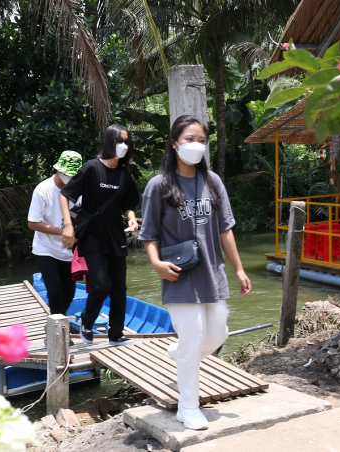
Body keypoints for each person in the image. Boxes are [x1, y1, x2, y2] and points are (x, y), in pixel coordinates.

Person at [138, 115, 252, 431]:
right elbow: (148, 234)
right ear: (174, 143)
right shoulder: (159, 185)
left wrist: (239, 269)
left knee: (217, 334)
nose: (196, 145)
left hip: (212, 272)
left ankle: (180, 353)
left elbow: (225, 230)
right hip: (179, 274)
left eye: (202, 139)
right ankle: (188, 407)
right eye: (189, 139)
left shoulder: (212, 181)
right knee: (193, 337)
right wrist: (157, 264)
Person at [60, 125, 140, 347]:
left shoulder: (125, 174)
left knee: (119, 288)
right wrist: (68, 225)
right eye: (119, 141)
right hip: (92, 235)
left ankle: (116, 334)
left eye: (127, 142)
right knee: (101, 284)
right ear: (108, 142)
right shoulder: (91, 168)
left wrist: (131, 218)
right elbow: (65, 194)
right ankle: (87, 320)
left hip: (115, 235)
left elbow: (128, 204)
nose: (123, 146)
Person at [28, 151, 83, 325]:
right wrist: (64, 231)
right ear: (59, 171)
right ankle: (59, 332)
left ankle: (55, 324)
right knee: (55, 292)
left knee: (69, 293)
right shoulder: (43, 190)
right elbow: (33, 223)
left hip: (69, 252)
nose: (70, 179)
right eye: (68, 175)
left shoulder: (81, 190)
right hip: (46, 249)